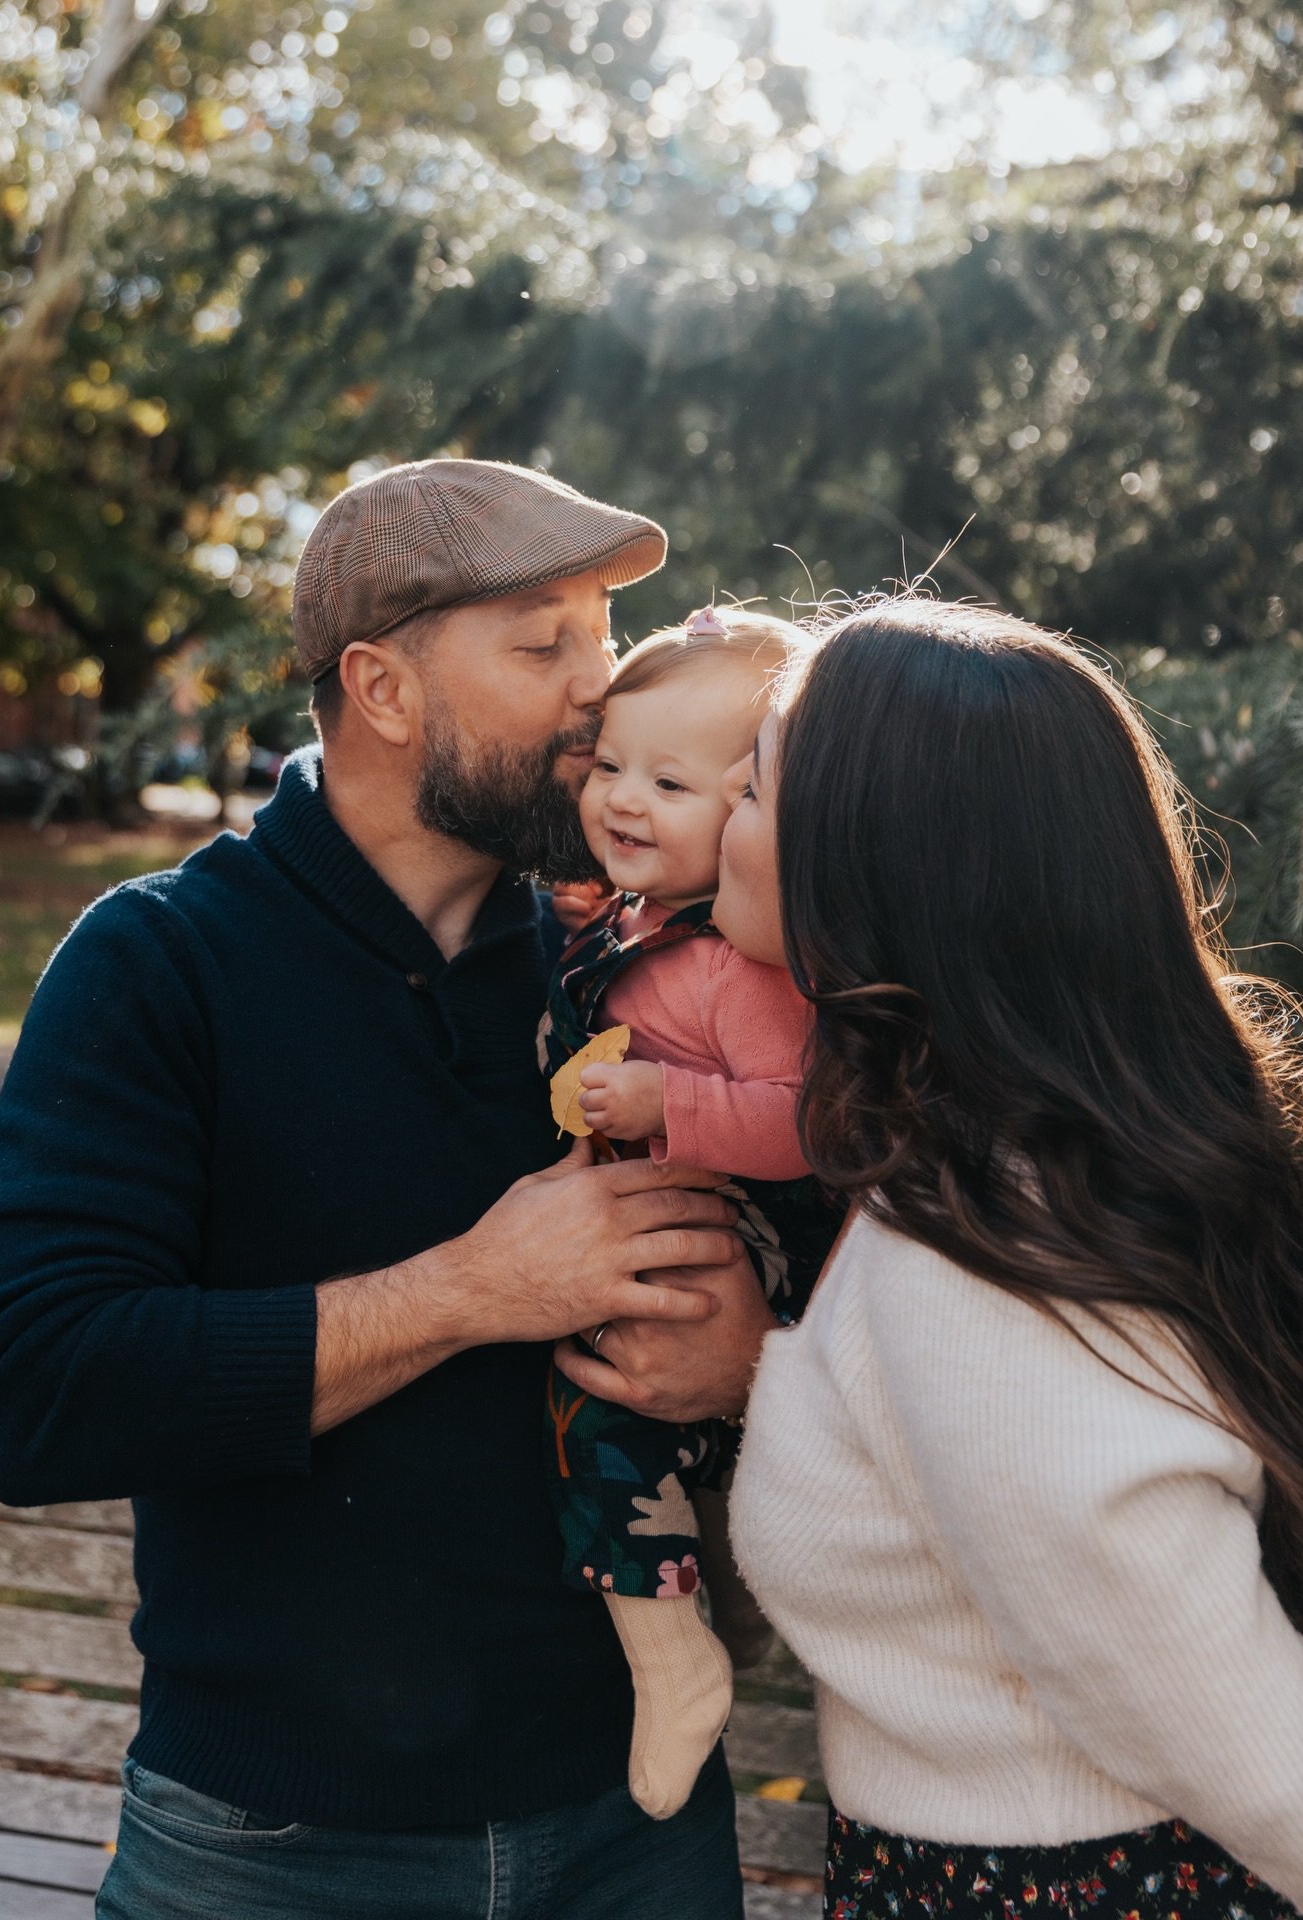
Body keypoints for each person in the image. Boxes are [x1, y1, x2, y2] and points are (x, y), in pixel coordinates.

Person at [0, 458, 768, 1920]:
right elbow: (39, 1391)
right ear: (383, 689)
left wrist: (752, 1365)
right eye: (544, 644)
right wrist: (469, 1291)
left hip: (633, 1827)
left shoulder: (643, 960)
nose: (601, 688)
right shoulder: (158, 964)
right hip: (271, 1850)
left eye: (602, 634)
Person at [719, 597, 1303, 1917]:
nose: (717, 824)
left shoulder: (985, 1260)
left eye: (749, 790)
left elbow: (1245, 1737)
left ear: (862, 866)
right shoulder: (999, 1174)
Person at [540, 604, 840, 1823]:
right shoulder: (632, 919)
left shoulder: (741, 964)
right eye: (609, 765)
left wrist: (670, 1096)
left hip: (745, 1221)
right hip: (660, 1198)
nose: (621, 797)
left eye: (667, 781)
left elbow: (803, 1118)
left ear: (752, 814)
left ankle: (674, 1654)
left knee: (605, 1394)